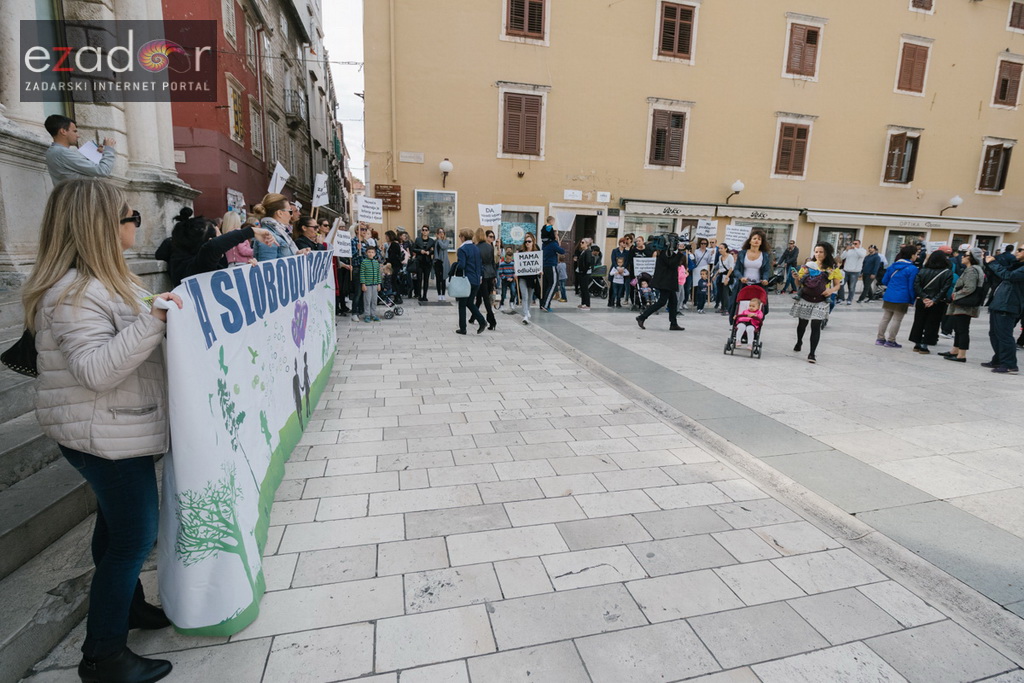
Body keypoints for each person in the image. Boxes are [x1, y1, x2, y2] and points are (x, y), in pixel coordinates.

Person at [22, 179, 181, 683]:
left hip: (112, 427)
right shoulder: (74, 293)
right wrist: (154, 318)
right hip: (104, 432)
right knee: (135, 537)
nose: (137, 222)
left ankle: (127, 609)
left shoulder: (104, 282)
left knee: (115, 530)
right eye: (129, 214)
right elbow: (95, 371)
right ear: (101, 226)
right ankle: (103, 656)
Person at [167, 213, 276, 287]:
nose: (221, 234)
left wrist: (247, 269)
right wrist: (250, 231)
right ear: (210, 240)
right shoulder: (195, 266)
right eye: (218, 233)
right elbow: (212, 248)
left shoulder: (181, 258)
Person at [790, 242, 843, 363]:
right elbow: (800, 284)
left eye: (821, 252)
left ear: (827, 253)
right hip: (806, 298)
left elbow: (837, 285)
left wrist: (830, 290)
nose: (818, 254)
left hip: (821, 299)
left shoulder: (832, 268)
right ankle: (799, 341)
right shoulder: (807, 266)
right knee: (802, 323)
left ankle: (812, 353)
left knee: (816, 325)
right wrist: (796, 278)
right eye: (816, 251)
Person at [982, 245, 1024, 374]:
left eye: (1021, 250)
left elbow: (1008, 276)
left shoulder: (1021, 270)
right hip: (1000, 303)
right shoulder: (1016, 265)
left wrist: (993, 263)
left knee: (1004, 336)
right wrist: (989, 263)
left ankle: (1010, 364)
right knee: (994, 334)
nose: (1017, 251)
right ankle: (999, 359)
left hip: (1008, 305)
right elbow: (1001, 274)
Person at [43, 114, 116, 185]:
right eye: (74, 131)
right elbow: (103, 171)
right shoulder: (61, 152)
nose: (78, 136)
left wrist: (99, 154)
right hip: (76, 196)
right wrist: (109, 149)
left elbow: (81, 173)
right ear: (63, 131)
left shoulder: (55, 151)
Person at [942, 248, 986, 363]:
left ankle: (961, 355)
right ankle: (955, 351)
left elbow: (969, 288)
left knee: (962, 329)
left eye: (965, 255)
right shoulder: (974, 269)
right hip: (964, 304)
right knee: (959, 328)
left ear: (972, 257)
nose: (962, 257)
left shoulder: (972, 270)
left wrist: (954, 295)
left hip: (964, 304)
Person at [635, 233, 685, 331]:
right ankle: (642, 317)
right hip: (665, 282)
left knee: (673, 302)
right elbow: (672, 264)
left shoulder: (666, 252)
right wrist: (680, 253)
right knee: (662, 302)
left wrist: (679, 253)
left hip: (668, 282)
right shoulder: (665, 253)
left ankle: (673, 323)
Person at [908, 251, 953, 354]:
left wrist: (924, 297)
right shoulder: (947, 272)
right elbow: (944, 289)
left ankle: (917, 343)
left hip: (921, 300)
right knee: (932, 323)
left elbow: (916, 285)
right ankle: (925, 345)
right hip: (938, 302)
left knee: (919, 321)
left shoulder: (922, 271)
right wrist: (934, 300)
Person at [876, 244, 920, 348]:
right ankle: (891, 340)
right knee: (897, 319)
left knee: (885, 318)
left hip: (889, 295)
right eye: (916, 254)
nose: (916, 256)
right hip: (902, 297)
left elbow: (884, 280)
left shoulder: (893, 266)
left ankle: (880, 338)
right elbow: (911, 286)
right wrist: (912, 299)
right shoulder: (912, 268)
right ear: (912, 255)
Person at [730, 229, 772, 322]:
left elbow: (766, 270)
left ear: (762, 242)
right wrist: (741, 277)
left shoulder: (764, 255)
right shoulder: (742, 253)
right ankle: (738, 322)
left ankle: (755, 322)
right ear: (750, 241)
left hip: (758, 285)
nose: (756, 240)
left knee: (757, 306)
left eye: (759, 239)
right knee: (740, 305)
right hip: (744, 285)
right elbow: (736, 269)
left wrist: (765, 279)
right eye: (754, 238)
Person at [454, 227, 486, 334]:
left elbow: (462, 265)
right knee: (469, 303)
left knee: (462, 304)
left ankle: (463, 328)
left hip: (466, 280)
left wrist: (455, 266)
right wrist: (480, 276)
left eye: (460, 236)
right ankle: (482, 321)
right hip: (476, 280)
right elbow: (480, 264)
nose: (460, 238)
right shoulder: (476, 248)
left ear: (463, 237)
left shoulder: (462, 249)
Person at [253, 193, 303, 261]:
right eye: (290, 211)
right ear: (280, 213)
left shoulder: (281, 232)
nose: (291, 215)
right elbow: (267, 268)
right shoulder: (267, 235)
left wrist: (298, 254)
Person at [475, 228, 498, 330]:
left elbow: (478, 263)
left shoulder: (476, 247)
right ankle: (473, 317)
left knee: (485, 299)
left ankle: (492, 320)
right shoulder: (489, 247)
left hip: (482, 274)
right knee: (484, 297)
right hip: (490, 273)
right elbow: (493, 262)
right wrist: (494, 275)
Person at [517, 234, 541, 325]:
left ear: (533, 242)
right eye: (526, 241)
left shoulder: (536, 252)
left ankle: (527, 311)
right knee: (525, 296)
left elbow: (539, 264)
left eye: (529, 241)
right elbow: (517, 264)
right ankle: (525, 315)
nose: (527, 243)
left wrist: (540, 271)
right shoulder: (521, 252)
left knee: (530, 297)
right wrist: (516, 272)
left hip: (532, 278)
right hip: (522, 277)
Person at [541, 226, 566, 310]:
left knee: (547, 286)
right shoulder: (553, 243)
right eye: (557, 235)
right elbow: (562, 251)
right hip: (551, 266)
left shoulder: (544, 244)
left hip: (545, 266)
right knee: (553, 285)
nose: (557, 236)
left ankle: (543, 304)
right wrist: (558, 243)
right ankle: (546, 304)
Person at [841, 240, 868, 305]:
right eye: (853, 243)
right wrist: (846, 250)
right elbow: (842, 257)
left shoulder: (862, 250)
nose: (853, 245)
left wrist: (855, 248)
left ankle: (849, 299)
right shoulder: (849, 250)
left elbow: (862, 255)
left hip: (855, 272)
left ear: (859, 244)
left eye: (855, 243)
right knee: (841, 285)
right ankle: (841, 298)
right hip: (846, 271)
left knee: (852, 287)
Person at [360, 244, 382, 322]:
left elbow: (378, 274)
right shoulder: (364, 262)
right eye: (369, 252)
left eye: (372, 252)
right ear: (366, 253)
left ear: (375, 253)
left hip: (375, 284)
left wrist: (379, 284)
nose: (370, 254)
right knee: (367, 300)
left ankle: (373, 314)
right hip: (367, 285)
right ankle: (367, 315)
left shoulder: (376, 263)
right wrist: (363, 284)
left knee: (374, 300)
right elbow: (362, 273)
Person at [413, 226, 435, 301]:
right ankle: (419, 295)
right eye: (423, 230)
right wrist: (420, 251)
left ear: (428, 232)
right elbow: (413, 249)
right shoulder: (418, 240)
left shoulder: (432, 241)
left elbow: (434, 250)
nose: (425, 231)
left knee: (426, 279)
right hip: (419, 261)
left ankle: (425, 295)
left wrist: (430, 252)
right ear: (421, 231)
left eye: (426, 230)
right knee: (419, 279)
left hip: (428, 262)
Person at [608, 238, 630, 306]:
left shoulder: (627, 252)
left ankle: (618, 301)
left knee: (621, 288)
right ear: (620, 243)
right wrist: (617, 267)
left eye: (626, 243)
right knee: (612, 287)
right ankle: (611, 302)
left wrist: (623, 268)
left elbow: (627, 261)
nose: (625, 244)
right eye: (624, 243)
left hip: (623, 270)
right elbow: (613, 260)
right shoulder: (615, 251)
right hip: (615, 269)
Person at [715, 244, 735, 315]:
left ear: (726, 249)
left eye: (721, 248)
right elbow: (720, 268)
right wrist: (715, 275)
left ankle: (727, 308)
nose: (720, 250)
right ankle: (722, 307)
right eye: (719, 248)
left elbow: (731, 268)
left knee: (725, 292)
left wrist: (727, 277)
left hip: (727, 275)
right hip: (721, 275)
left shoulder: (730, 257)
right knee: (720, 292)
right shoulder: (720, 257)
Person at [574, 237, 594, 310]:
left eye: (583, 242)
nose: (581, 244)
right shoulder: (583, 251)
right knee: (582, 288)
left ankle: (587, 304)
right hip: (581, 272)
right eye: (581, 242)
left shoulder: (588, 251)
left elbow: (588, 262)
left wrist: (584, 271)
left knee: (585, 288)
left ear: (587, 244)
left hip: (585, 273)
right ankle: (583, 303)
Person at [433, 228, 451, 301]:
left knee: (443, 279)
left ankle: (443, 295)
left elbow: (444, 247)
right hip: (437, 261)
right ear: (437, 233)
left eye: (442, 232)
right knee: (438, 279)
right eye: (439, 232)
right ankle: (439, 295)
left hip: (443, 262)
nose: (441, 233)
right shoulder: (435, 242)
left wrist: (439, 240)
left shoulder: (446, 241)